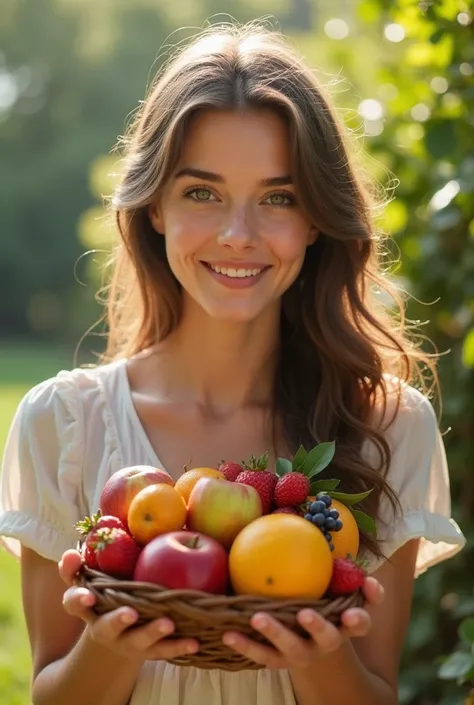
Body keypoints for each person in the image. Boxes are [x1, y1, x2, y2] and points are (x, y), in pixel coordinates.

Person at [0, 21, 466, 705]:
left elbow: (375, 693)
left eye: (278, 197)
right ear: (155, 206)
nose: (238, 235)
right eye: (202, 192)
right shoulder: (62, 427)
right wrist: (110, 642)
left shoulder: (389, 428)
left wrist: (316, 657)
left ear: (315, 219)